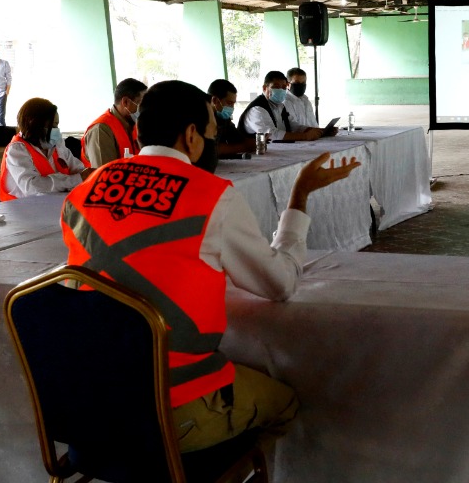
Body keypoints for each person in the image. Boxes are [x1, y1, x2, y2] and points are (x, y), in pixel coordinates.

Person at [61, 80, 360, 453]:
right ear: (191, 136)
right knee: (285, 402)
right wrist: (299, 195)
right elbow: (280, 284)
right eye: (212, 134)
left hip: (83, 403)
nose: (214, 143)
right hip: (171, 407)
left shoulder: (85, 189)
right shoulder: (210, 195)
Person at [0, 97, 91, 200]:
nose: (57, 130)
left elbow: (78, 169)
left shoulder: (56, 143)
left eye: (57, 125)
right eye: (53, 125)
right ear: (35, 125)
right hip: (21, 210)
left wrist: (90, 175)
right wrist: (76, 180)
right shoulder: (17, 149)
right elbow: (32, 187)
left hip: (54, 204)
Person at [239, 71, 328, 141]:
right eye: (276, 87)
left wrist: (322, 131)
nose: (281, 90)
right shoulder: (257, 109)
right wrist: (305, 136)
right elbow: (271, 134)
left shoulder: (280, 106)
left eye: (284, 87)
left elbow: (292, 126)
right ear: (264, 88)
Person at [81, 78, 147, 168]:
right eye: (141, 104)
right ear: (126, 102)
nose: (145, 109)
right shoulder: (101, 130)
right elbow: (104, 175)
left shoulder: (134, 124)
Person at [208, 78, 256, 158]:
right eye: (229, 103)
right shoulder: (201, 117)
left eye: (233, 104)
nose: (232, 108)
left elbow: (238, 139)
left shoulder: (223, 118)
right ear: (215, 100)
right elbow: (211, 149)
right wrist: (244, 147)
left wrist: (257, 141)